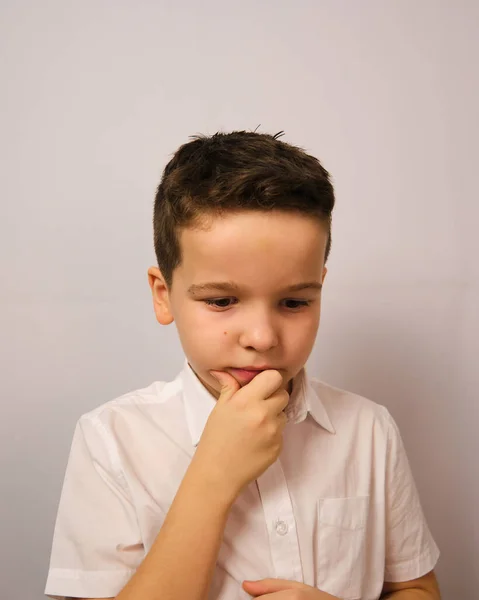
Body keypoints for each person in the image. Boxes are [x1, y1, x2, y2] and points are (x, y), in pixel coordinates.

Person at [44, 131, 441, 600]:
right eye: (222, 300)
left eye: (294, 301)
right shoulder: (111, 441)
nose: (262, 337)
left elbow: (416, 587)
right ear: (163, 295)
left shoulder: (369, 430)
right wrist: (213, 474)